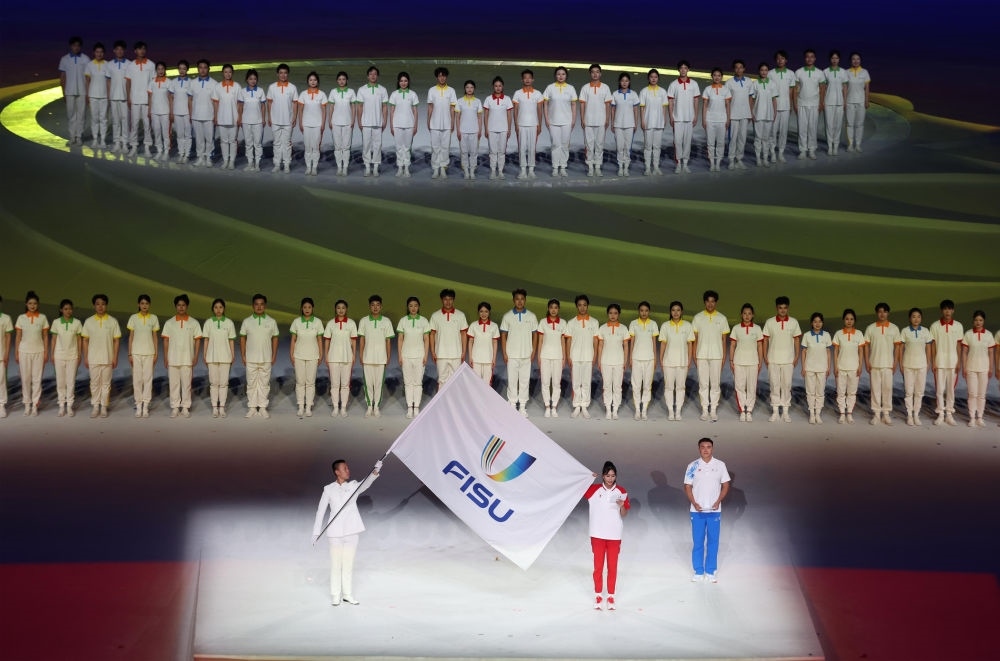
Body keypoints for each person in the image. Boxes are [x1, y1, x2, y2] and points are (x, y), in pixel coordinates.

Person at [312, 458, 382, 606]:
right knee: (336, 565)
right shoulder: (328, 489)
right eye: (345, 468)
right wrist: (316, 532)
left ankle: (347, 595)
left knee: (348, 565)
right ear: (337, 472)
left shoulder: (353, 486)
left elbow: (366, 483)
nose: (348, 470)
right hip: (334, 533)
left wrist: (375, 470)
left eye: (348, 468)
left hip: (351, 531)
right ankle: (335, 595)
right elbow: (320, 511)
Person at [684, 438, 731, 583]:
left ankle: (710, 571)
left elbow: (726, 485)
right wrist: (694, 503)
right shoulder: (693, 466)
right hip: (697, 511)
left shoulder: (720, 465)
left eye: (708, 447)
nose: (705, 450)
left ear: (712, 448)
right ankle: (698, 571)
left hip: (714, 511)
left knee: (713, 542)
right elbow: (687, 486)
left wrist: (718, 501)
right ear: (699, 449)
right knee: (698, 542)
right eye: (703, 447)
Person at [584, 461, 630, 610]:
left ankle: (611, 596)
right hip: (597, 534)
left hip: (614, 535)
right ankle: (598, 595)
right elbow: (578, 488)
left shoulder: (621, 491)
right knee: (598, 567)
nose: (610, 478)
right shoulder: (594, 490)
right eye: (608, 475)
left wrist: (622, 505)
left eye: (613, 476)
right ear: (603, 476)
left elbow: (624, 514)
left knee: (612, 567)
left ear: (616, 476)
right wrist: (588, 478)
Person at [162, 294, 202, 418]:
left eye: (183, 305)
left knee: (186, 384)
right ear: (175, 306)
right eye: (179, 305)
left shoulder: (194, 323)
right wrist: (166, 357)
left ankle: (185, 407)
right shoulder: (169, 323)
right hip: (173, 358)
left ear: (187, 306)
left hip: (187, 358)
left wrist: (196, 356)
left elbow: (197, 340)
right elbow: (166, 340)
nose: (181, 307)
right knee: (174, 384)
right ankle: (175, 407)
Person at [762, 296, 802, 422]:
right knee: (774, 385)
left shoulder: (794, 322)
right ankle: (775, 412)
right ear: (776, 308)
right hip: (773, 359)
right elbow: (765, 340)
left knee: (786, 385)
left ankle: (785, 412)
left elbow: (797, 339)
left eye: (785, 308)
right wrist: (765, 356)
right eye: (780, 308)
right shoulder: (770, 322)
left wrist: (796, 356)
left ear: (788, 308)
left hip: (788, 360)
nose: (783, 310)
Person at [81, 294, 121, 418]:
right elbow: (85, 340)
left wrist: (115, 357)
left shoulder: (112, 321)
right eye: (97, 304)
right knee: (94, 383)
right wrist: (86, 357)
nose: (100, 306)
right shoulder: (89, 321)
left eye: (103, 304)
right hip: (93, 358)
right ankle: (95, 406)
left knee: (106, 384)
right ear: (94, 306)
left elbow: (116, 341)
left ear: (106, 305)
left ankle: (104, 407)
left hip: (107, 357)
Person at [239, 294, 280, 418]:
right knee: (251, 384)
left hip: (266, 358)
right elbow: (242, 339)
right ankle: (252, 408)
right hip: (250, 358)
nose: (259, 306)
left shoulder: (271, 321)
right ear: (253, 306)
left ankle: (262, 408)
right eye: (256, 304)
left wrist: (274, 355)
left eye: (262, 304)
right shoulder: (247, 321)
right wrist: (243, 355)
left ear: (265, 306)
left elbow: (275, 338)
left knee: (264, 384)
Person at [692, 291, 729, 421]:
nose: (710, 304)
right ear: (704, 302)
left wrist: (723, 357)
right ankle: (704, 410)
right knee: (703, 384)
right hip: (701, 355)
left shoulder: (722, 318)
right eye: (708, 301)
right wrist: (694, 355)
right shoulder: (698, 318)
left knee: (715, 384)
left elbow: (724, 340)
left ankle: (713, 410)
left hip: (717, 355)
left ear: (716, 303)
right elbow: (695, 339)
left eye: (713, 301)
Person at [500, 289, 538, 417]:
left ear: (525, 300)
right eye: (517, 299)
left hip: (526, 354)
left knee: (524, 381)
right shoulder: (507, 316)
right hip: (512, 355)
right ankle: (512, 404)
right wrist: (505, 353)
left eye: (522, 299)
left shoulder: (531, 316)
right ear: (513, 300)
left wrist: (533, 351)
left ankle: (522, 406)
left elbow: (535, 335)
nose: (520, 301)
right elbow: (503, 335)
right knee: (512, 380)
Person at [864, 302, 902, 425]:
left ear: (888, 313)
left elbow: (897, 347)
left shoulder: (894, 328)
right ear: (877, 313)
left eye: (884, 311)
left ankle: (886, 414)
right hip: (874, 364)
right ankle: (876, 414)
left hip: (888, 364)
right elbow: (866, 346)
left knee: (887, 389)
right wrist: (867, 361)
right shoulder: (870, 328)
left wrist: (895, 363)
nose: (882, 314)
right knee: (875, 390)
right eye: (880, 311)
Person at [357, 294, 394, 417]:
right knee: (368, 384)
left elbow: (388, 341)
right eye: (373, 305)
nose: (375, 307)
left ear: (381, 306)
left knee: (379, 384)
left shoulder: (386, 321)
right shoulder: (364, 321)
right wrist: (361, 355)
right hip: (367, 358)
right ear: (369, 307)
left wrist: (388, 356)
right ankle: (369, 406)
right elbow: (362, 340)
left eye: (378, 305)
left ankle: (376, 406)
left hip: (381, 358)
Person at [659, 301, 696, 421]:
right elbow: (663, 344)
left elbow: (690, 344)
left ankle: (678, 411)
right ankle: (671, 411)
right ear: (670, 312)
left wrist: (689, 360)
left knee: (680, 387)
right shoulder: (665, 326)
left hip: (682, 362)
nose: (676, 312)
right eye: (673, 310)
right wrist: (661, 359)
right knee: (669, 387)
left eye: (678, 310)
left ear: (682, 312)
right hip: (668, 362)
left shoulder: (687, 326)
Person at [929, 299, 963, 426]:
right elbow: (933, 345)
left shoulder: (958, 326)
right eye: (945, 309)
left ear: (953, 310)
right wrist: (933, 361)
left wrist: (959, 361)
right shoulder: (935, 326)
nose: (947, 311)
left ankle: (949, 414)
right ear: (941, 310)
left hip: (953, 362)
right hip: (939, 362)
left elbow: (959, 345)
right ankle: (940, 414)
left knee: (950, 390)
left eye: (949, 309)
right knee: (939, 389)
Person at [14, 291, 49, 416]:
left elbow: (45, 336)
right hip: (24, 351)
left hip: (39, 351)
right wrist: (16, 352)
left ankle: (35, 405)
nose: (32, 305)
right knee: (25, 379)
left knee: (37, 379)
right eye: (30, 303)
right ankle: (27, 405)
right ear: (26, 304)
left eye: (34, 303)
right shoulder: (21, 318)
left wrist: (46, 352)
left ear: (38, 304)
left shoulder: (42, 318)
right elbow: (18, 336)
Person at [126, 294, 159, 418]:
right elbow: (131, 337)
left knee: (148, 380)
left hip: (149, 353)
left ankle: (146, 406)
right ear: (138, 304)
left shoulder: (153, 318)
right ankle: (138, 405)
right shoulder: (133, 318)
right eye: (142, 303)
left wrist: (156, 353)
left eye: (146, 303)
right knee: (137, 380)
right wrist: (130, 353)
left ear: (149, 305)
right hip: (136, 353)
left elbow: (155, 337)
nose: (144, 306)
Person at [566, 295, 600, 419]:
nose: (582, 307)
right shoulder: (571, 322)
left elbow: (596, 341)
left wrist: (595, 355)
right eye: (580, 305)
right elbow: (569, 340)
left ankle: (584, 405)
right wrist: (568, 356)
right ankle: (577, 406)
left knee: (586, 382)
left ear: (587, 306)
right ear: (577, 306)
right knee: (576, 382)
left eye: (584, 305)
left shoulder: (594, 322)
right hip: (575, 356)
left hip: (588, 356)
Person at [289, 297, 324, 417]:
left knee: (310, 382)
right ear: (301, 308)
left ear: (312, 308)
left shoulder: (318, 322)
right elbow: (293, 340)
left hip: (313, 356)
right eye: (305, 307)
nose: (307, 309)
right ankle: (300, 406)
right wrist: (291, 354)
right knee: (300, 382)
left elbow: (319, 340)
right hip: (298, 355)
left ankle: (308, 406)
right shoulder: (296, 322)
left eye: (309, 307)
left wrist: (321, 354)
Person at [395, 296, 430, 418]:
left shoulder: (424, 321)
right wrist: (400, 355)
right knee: (408, 382)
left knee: (418, 382)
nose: (413, 308)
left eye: (415, 305)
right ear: (407, 307)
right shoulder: (403, 321)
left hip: (419, 356)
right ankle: (410, 407)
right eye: (411, 306)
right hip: (406, 356)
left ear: (418, 307)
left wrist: (425, 355)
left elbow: (426, 339)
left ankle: (417, 407)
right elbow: (400, 339)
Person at [729, 303, 763, 422]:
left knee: (752, 387)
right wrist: (731, 360)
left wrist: (760, 361)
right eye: (745, 313)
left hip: (753, 362)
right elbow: (732, 345)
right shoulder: (736, 328)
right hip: (739, 361)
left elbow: (760, 346)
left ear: (753, 315)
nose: (747, 316)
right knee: (739, 386)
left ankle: (749, 410)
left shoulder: (757, 328)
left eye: (749, 314)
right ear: (741, 315)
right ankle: (742, 410)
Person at [202, 298, 237, 418]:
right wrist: (205, 354)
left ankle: (221, 407)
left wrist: (232, 355)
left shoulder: (229, 323)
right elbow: (206, 340)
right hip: (211, 357)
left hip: (225, 357)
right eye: (216, 307)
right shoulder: (208, 323)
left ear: (224, 309)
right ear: (213, 309)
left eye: (220, 307)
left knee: (223, 383)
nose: (218, 310)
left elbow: (231, 340)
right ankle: (214, 408)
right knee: (213, 383)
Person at [324, 300, 358, 417]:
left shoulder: (351, 323)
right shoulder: (330, 324)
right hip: (333, 357)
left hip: (347, 357)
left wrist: (353, 355)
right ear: (335, 309)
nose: (341, 310)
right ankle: (335, 407)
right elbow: (327, 340)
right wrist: (326, 355)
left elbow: (354, 341)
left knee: (345, 384)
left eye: (343, 308)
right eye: (338, 308)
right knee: (334, 384)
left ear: (346, 309)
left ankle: (343, 407)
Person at [48, 299, 82, 417]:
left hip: (73, 356)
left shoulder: (77, 323)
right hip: (59, 355)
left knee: (71, 382)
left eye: (70, 309)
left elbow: (79, 340)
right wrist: (52, 354)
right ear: (61, 310)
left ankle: (69, 406)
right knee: (60, 382)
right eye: (66, 309)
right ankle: (62, 406)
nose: (68, 311)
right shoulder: (56, 322)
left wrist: (79, 354)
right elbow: (53, 339)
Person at [900, 308, 934, 426]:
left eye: (918, 316)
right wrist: (901, 364)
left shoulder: (925, 331)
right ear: (910, 318)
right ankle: (909, 415)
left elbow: (928, 348)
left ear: (921, 318)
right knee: (909, 392)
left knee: (919, 392)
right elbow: (901, 349)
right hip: (908, 365)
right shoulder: (905, 331)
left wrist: (928, 363)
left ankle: (916, 415)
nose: (916, 319)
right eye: (913, 316)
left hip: (922, 365)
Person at [961, 311, 995, 428]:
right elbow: (964, 352)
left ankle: (980, 417)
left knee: (981, 395)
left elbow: (991, 353)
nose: (978, 322)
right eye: (976, 320)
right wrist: (964, 367)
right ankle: (972, 418)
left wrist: (991, 368)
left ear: (983, 321)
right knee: (972, 394)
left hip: (984, 368)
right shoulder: (968, 334)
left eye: (980, 320)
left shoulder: (989, 335)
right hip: (971, 368)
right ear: (973, 321)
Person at [832, 308, 866, 424]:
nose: (849, 321)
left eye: (851, 319)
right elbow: (835, 351)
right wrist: (835, 366)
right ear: (843, 320)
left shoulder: (859, 334)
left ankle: (849, 413)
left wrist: (860, 366)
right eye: (847, 319)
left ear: (854, 320)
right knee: (841, 392)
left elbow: (861, 351)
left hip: (854, 368)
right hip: (841, 367)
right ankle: (842, 413)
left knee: (852, 392)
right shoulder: (838, 334)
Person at [578, 64, 612, 177]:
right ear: (590, 74)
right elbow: (582, 105)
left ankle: (597, 167)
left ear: (600, 74)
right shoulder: (585, 88)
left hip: (601, 121)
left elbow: (608, 105)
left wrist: (607, 119)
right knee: (589, 145)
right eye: (593, 72)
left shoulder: (605, 88)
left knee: (599, 144)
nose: (595, 74)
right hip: (588, 121)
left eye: (597, 72)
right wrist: (582, 119)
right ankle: (590, 167)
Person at [667, 60, 701, 174]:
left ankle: (685, 164)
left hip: (689, 117)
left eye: (685, 68)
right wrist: (671, 116)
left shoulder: (694, 84)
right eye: (681, 68)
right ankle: (678, 163)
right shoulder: (673, 84)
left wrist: (695, 115)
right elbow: (670, 102)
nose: (683, 70)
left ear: (688, 69)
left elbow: (696, 101)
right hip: (677, 118)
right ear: (678, 70)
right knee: (677, 141)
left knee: (687, 141)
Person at [429, 289, 468, 387]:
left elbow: (463, 334)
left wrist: (463, 351)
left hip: (456, 354)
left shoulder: (460, 315)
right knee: (442, 380)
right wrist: (433, 352)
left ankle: (455, 397)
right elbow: (432, 334)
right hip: (441, 353)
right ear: (441, 300)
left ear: (453, 300)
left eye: (450, 299)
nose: (448, 302)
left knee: (456, 380)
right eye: (445, 299)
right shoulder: (435, 316)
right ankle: (442, 398)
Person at [597, 304, 630, 420]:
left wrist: (625, 361)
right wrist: (599, 360)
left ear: (619, 314)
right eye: (610, 313)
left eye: (615, 313)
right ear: (608, 314)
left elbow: (626, 346)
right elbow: (600, 345)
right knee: (607, 386)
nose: (613, 315)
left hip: (619, 361)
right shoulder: (602, 328)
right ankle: (608, 409)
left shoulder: (623, 328)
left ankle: (615, 409)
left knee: (617, 386)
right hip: (605, 361)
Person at [542, 66, 577, 177]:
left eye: (563, 74)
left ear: (566, 76)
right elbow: (545, 104)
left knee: (565, 145)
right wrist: (546, 119)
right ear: (555, 76)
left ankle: (563, 167)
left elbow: (573, 104)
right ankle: (555, 167)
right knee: (555, 144)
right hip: (553, 121)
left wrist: (573, 120)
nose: (561, 76)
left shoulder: (571, 88)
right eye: (558, 74)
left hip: (567, 121)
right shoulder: (550, 88)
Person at [537, 298, 568, 418]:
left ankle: (554, 406)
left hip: (558, 356)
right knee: (545, 382)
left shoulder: (563, 323)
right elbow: (540, 341)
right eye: (551, 308)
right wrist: (539, 356)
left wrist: (564, 357)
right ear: (548, 309)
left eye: (555, 308)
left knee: (556, 382)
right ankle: (547, 406)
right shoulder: (543, 322)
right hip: (545, 356)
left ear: (558, 309)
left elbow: (563, 341)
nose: (553, 310)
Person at [793, 49, 826, 160]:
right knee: (802, 128)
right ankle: (802, 150)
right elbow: (795, 90)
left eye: (812, 56)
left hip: (814, 104)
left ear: (815, 58)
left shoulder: (820, 73)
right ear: (805, 58)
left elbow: (822, 89)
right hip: (801, 103)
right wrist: (795, 104)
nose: (809, 59)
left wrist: (821, 103)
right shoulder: (798, 72)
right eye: (807, 56)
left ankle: (812, 150)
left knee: (812, 128)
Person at [355, 66, 388, 177]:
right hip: (365, 123)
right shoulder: (362, 89)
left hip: (378, 123)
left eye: (375, 74)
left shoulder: (382, 89)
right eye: (371, 74)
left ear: (377, 76)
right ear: (367, 76)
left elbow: (384, 107)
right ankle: (367, 167)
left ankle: (376, 167)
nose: (373, 76)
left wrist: (384, 120)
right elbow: (359, 106)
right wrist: (359, 121)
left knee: (377, 145)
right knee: (366, 145)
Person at [800, 312, 833, 424]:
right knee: (810, 392)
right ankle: (812, 414)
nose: (817, 324)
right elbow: (803, 352)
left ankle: (818, 414)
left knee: (820, 392)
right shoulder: (807, 335)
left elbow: (828, 352)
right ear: (811, 323)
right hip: (809, 367)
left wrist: (828, 367)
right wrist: (803, 367)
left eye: (819, 321)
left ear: (822, 323)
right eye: (815, 321)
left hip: (822, 368)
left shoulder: (826, 335)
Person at [124, 41, 155, 157]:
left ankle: (147, 147)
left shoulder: (151, 65)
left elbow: (153, 83)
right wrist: (128, 97)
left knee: (147, 125)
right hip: (135, 99)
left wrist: (152, 100)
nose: (141, 51)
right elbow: (128, 82)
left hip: (147, 100)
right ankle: (134, 147)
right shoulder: (131, 65)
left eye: (143, 49)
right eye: (139, 49)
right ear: (135, 51)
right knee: (134, 124)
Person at [628, 302, 658, 420]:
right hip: (636, 358)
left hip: (649, 359)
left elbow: (654, 342)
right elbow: (632, 342)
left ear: (649, 311)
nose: (644, 313)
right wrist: (630, 358)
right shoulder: (633, 324)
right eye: (641, 310)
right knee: (636, 385)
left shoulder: (653, 324)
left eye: (646, 310)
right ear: (639, 311)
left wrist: (655, 358)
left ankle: (644, 410)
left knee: (647, 385)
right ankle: (637, 410)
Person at [267, 63, 298, 173]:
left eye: (285, 73)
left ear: (288, 74)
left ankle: (286, 165)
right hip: (275, 120)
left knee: (287, 144)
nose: (283, 75)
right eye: (281, 73)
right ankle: (276, 164)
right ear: (277, 74)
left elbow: (295, 103)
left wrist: (294, 117)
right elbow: (269, 103)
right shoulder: (272, 87)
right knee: (276, 143)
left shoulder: (292, 87)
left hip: (288, 120)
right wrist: (269, 117)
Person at [513, 68, 544, 179]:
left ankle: (531, 170)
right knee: (522, 148)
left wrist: (539, 125)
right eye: (525, 78)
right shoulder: (517, 93)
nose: (527, 80)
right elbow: (515, 110)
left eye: (529, 78)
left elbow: (540, 110)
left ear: (533, 79)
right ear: (522, 80)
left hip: (533, 124)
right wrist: (516, 125)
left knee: (532, 148)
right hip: (521, 125)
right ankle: (522, 170)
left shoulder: (538, 94)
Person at [59, 37, 91, 146]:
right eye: (74, 45)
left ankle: (79, 136)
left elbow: (88, 77)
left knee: (81, 115)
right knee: (71, 114)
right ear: (71, 46)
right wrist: (63, 92)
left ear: (80, 47)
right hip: (69, 91)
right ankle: (72, 136)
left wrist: (88, 92)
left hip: (82, 91)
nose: (76, 47)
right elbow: (62, 77)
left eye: (78, 45)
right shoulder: (65, 59)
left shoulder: (85, 59)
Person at [427, 67, 457, 178]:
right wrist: (428, 120)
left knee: (445, 147)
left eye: (444, 76)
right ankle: (435, 169)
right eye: (440, 76)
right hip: (434, 123)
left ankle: (443, 168)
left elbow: (452, 108)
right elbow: (430, 107)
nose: (442, 78)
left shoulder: (451, 91)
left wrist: (452, 122)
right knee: (435, 147)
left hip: (447, 124)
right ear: (437, 77)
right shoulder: (432, 90)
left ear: (446, 77)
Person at [297, 71, 328, 175]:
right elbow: (300, 110)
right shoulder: (303, 94)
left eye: (315, 80)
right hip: (306, 124)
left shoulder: (322, 94)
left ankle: (314, 167)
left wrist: (323, 124)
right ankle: (308, 167)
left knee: (315, 147)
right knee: (307, 147)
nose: (313, 82)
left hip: (318, 124)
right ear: (308, 81)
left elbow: (324, 111)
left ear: (317, 81)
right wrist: (300, 123)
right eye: (310, 80)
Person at [388, 72, 419, 178]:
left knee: (407, 147)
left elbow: (415, 111)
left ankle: (406, 168)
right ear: (398, 82)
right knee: (399, 147)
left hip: (409, 124)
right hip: (397, 124)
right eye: (401, 81)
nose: (403, 83)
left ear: (408, 82)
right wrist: (391, 125)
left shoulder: (413, 94)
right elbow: (392, 111)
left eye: (405, 81)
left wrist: (415, 125)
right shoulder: (394, 94)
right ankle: (400, 168)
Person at [701, 67, 732, 172]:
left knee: (720, 143)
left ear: (722, 77)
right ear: (712, 77)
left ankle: (718, 163)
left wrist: (728, 119)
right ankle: (712, 163)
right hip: (710, 120)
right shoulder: (708, 89)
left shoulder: (726, 90)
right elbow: (705, 105)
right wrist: (704, 119)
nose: (717, 77)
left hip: (722, 120)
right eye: (715, 75)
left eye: (719, 75)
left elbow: (728, 105)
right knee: (710, 143)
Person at [482, 76, 513, 179]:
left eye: (500, 86)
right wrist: (486, 129)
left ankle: (500, 171)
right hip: (491, 129)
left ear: (502, 86)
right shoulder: (488, 99)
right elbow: (486, 115)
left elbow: (509, 115)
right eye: (496, 86)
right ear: (493, 86)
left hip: (504, 129)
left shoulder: (507, 99)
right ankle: (492, 171)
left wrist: (509, 129)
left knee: (502, 151)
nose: (498, 88)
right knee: (492, 151)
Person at [638, 68, 668, 175]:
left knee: (657, 146)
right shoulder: (644, 91)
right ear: (648, 78)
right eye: (651, 77)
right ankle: (647, 168)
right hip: (648, 122)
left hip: (659, 123)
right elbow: (642, 108)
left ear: (658, 78)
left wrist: (664, 120)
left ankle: (656, 167)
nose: (653, 79)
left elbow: (664, 107)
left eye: (655, 77)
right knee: (647, 146)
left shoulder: (662, 91)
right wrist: (642, 121)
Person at [610, 72, 640, 177]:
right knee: (619, 147)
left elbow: (636, 110)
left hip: (630, 125)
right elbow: (613, 110)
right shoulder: (615, 94)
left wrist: (635, 123)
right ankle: (620, 167)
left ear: (629, 82)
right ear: (619, 82)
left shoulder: (633, 94)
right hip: (618, 125)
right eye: (622, 80)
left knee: (627, 147)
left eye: (626, 81)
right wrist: (612, 123)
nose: (624, 82)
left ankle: (626, 167)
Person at [189, 58, 218, 167]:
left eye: (205, 67)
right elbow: (190, 100)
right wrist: (191, 114)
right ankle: (200, 157)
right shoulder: (192, 83)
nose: (202, 70)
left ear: (208, 69)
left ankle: (209, 157)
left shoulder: (214, 83)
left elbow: (215, 102)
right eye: (200, 67)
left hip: (209, 116)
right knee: (199, 139)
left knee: (209, 139)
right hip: (196, 115)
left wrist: (215, 116)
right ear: (197, 69)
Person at [213, 64, 242, 170]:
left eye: (230, 72)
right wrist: (215, 117)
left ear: (232, 73)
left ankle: (232, 161)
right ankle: (225, 160)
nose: (228, 74)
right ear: (222, 73)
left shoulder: (237, 86)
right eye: (225, 72)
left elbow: (240, 104)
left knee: (233, 141)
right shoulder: (218, 86)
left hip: (234, 117)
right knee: (224, 141)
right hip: (221, 117)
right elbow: (216, 103)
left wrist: (239, 117)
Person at [725, 60, 753, 169]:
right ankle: (731, 160)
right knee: (733, 138)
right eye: (736, 67)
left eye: (741, 67)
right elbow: (727, 101)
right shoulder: (729, 82)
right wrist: (727, 116)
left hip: (745, 114)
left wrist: (750, 113)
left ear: (744, 69)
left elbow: (750, 98)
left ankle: (739, 159)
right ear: (734, 69)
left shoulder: (749, 81)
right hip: (733, 115)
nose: (738, 69)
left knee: (742, 138)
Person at [238, 68, 267, 171]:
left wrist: (263, 119)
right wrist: (240, 119)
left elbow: (263, 106)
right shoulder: (242, 91)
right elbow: (240, 107)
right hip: (246, 121)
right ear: (247, 80)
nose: (253, 81)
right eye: (250, 79)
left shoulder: (260, 91)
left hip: (258, 121)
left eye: (255, 79)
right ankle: (250, 163)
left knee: (257, 144)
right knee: (248, 143)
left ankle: (257, 164)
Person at [327, 72, 356, 176]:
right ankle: (339, 167)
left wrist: (353, 120)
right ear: (337, 81)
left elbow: (353, 107)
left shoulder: (351, 92)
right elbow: (331, 107)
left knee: (346, 146)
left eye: (343, 79)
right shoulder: (333, 92)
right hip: (335, 122)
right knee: (337, 146)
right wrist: (329, 120)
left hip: (348, 122)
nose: (341, 81)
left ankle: (345, 167)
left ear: (347, 80)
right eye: (339, 79)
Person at [769, 50, 796, 163]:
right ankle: (772, 152)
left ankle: (780, 153)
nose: (780, 60)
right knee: (772, 131)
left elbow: (791, 91)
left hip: (785, 107)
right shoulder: (770, 73)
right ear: (776, 60)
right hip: (773, 107)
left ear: (786, 60)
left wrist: (791, 105)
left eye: (782, 58)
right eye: (778, 58)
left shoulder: (791, 73)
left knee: (783, 131)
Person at [454, 80, 483, 179]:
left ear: (474, 89)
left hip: (474, 131)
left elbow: (479, 118)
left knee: (474, 152)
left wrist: (480, 130)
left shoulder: (477, 101)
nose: (469, 89)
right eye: (467, 87)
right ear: (465, 89)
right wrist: (458, 130)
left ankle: (472, 171)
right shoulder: (460, 101)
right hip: (463, 131)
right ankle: (466, 171)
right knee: (464, 152)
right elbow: (457, 117)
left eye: (471, 87)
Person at [752, 62, 779, 167]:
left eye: (766, 70)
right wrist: (752, 113)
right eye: (762, 70)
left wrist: (774, 113)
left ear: (768, 71)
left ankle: (765, 158)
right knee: (758, 138)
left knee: (766, 138)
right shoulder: (755, 83)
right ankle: (758, 158)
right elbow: (752, 100)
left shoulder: (772, 84)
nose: (764, 72)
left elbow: (774, 100)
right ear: (759, 71)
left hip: (769, 115)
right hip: (758, 114)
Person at [105, 40, 130, 153]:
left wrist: (129, 96)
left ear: (124, 51)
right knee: (115, 121)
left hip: (125, 97)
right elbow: (108, 81)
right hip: (114, 97)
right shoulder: (109, 64)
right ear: (114, 51)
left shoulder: (129, 64)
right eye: (117, 49)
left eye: (121, 49)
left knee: (125, 120)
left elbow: (130, 82)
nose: (119, 51)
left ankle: (125, 143)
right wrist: (109, 96)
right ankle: (116, 143)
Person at [823, 50, 848, 155]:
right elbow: (823, 88)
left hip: (839, 102)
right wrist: (822, 101)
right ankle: (830, 146)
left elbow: (845, 87)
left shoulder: (843, 72)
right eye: (833, 58)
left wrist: (845, 101)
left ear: (839, 59)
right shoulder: (825, 72)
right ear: (830, 59)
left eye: (836, 58)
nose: (834, 60)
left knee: (838, 125)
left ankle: (836, 146)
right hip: (828, 102)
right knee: (829, 125)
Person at [467, 302, 500, 384]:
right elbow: (470, 341)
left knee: (487, 383)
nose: (484, 314)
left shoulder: (494, 326)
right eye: (481, 311)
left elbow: (495, 342)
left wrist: (494, 358)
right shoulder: (473, 325)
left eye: (486, 311)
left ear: (489, 312)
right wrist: (470, 357)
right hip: (476, 359)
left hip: (488, 359)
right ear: (478, 312)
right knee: (475, 382)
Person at [168, 60, 193, 163]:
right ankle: (181, 154)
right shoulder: (173, 82)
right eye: (180, 68)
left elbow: (191, 99)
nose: (182, 70)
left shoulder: (191, 82)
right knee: (180, 134)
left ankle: (187, 155)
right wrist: (171, 112)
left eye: (184, 69)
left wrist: (191, 113)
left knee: (188, 134)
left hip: (187, 113)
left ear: (187, 70)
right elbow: (170, 98)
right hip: (177, 112)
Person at [845, 52, 871, 152]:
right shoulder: (846, 72)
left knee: (860, 124)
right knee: (850, 124)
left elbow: (867, 88)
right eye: (853, 59)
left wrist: (867, 100)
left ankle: (858, 145)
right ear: (850, 61)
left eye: (858, 59)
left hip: (861, 102)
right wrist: (844, 101)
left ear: (860, 60)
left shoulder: (865, 72)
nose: (856, 61)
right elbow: (844, 88)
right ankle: (850, 145)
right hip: (849, 101)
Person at [83, 42, 108, 148]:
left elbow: (109, 81)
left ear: (103, 53)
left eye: (101, 52)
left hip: (104, 96)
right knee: (94, 118)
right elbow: (87, 81)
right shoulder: (89, 65)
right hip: (93, 95)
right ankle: (95, 140)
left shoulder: (107, 64)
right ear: (94, 53)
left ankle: (103, 140)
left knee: (103, 118)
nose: (99, 54)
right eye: (97, 52)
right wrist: (87, 95)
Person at [147, 61, 172, 160]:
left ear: (165, 70)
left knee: (166, 133)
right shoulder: (152, 82)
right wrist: (149, 110)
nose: (160, 71)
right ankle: (159, 150)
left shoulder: (168, 82)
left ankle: (166, 152)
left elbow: (170, 98)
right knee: (157, 132)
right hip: (154, 112)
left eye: (162, 69)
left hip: (165, 111)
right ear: (156, 70)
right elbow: (150, 97)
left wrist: (171, 111)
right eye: (158, 69)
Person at [0, 296, 12, 419]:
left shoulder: (5, 318)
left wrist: (7, 353)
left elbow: (8, 337)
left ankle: (1, 405)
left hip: (1, 355)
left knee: (1, 380)